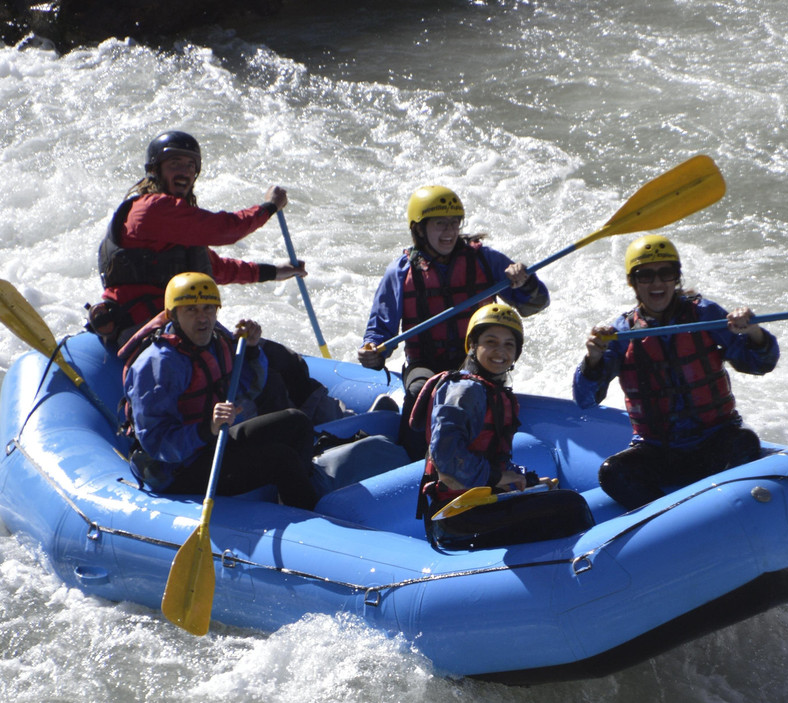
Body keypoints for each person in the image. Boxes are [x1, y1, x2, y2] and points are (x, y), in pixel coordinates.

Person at [91, 129, 351, 425]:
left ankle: (330, 422)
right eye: (175, 163)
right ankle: (304, 429)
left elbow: (214, 267)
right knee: (255, 372)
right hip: (144, 327)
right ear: (155, 170)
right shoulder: (151, 209)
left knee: (282, 360)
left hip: (182, 322)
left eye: (191, 165)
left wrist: (274, 272)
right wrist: (268, 208)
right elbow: (224, 229)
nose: (184, 172)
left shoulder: (175, 222)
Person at [573, 234, 780, 510]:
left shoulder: (704, 314)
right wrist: (593, 358)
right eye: (645, 275)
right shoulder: (621, 333)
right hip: (660, 452)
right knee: (612, 472)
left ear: (676, 278)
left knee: (745, 441)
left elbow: (759, 364)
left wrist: (753, 331)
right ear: (633, 282)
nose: (657, 283)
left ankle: (727, 508)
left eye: (665, 273)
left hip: (715, 440)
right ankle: (671, 517)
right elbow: (585, 399)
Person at [358, 185, 551, 459]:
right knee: (421, 390)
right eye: (440, 224)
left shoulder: (486, 260)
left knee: (473, 389)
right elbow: (380, 330)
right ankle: (415, 458)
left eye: (454, 222)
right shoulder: (400, 272)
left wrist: (525, 282)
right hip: (425, 363)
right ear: (420, 229)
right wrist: (373, 351)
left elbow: (535, 304)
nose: (449, 231)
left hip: (476, 359)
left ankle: (488, 455)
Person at [123, 272, 317, 510]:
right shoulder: (158, 365)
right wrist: (208, 429)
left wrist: (252, 350)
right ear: (173, 315)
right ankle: (306, 516)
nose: (202, 318)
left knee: (297, 422)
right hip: (176, 469)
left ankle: (297, 494)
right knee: (281, 459)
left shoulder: (216, 342)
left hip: (212, 441)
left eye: (208, 308)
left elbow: (247, 389)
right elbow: (156, 443)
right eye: (191, 310)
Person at [411, 304, 593, 549]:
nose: (501, 351)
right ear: (473, 345)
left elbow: (491, 459)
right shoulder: (464, 390)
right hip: (454, 517)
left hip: (478, 506)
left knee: (555, 497)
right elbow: (447, 461)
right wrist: (498, 477)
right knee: (570, 506)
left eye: (509, 344)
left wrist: (524, 479)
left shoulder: (491, 391)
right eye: (491, 342)